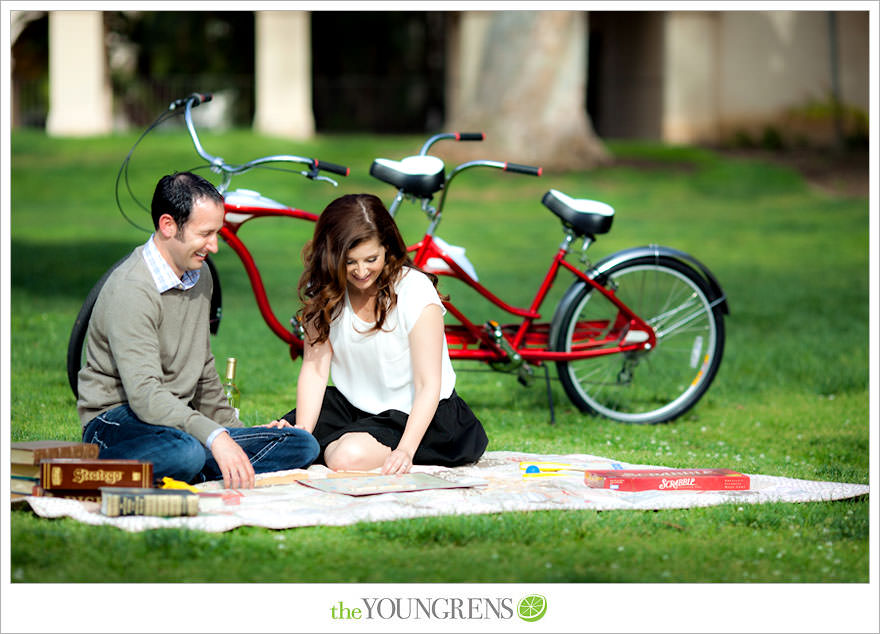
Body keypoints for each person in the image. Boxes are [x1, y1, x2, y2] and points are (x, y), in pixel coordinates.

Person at [77, 172, 319, 488]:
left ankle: (185, 469)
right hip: (118, 420)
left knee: (301, 444)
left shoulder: (200, 275)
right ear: (168, 226)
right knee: (187, 452)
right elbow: (145, 396)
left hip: (177, 422)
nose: (214, 246)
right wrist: (216, 438)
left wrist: (234, 432)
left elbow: (202, 369)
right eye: (206, 234)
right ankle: (107, 467)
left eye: (217, 233)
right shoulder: (132, 289)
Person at [277, 193, 488, 474]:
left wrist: (405, 450)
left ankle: (333, 447)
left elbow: (428, 385)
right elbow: (315, 372)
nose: (362, 271)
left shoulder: (415, 291)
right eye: (349, 262)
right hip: (355, 407)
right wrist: (303, 432)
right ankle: (324, 445)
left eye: (371, 259)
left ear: (387, 248)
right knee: (281, 441)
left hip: (420, 414)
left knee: (346, 457)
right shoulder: (327, 293)